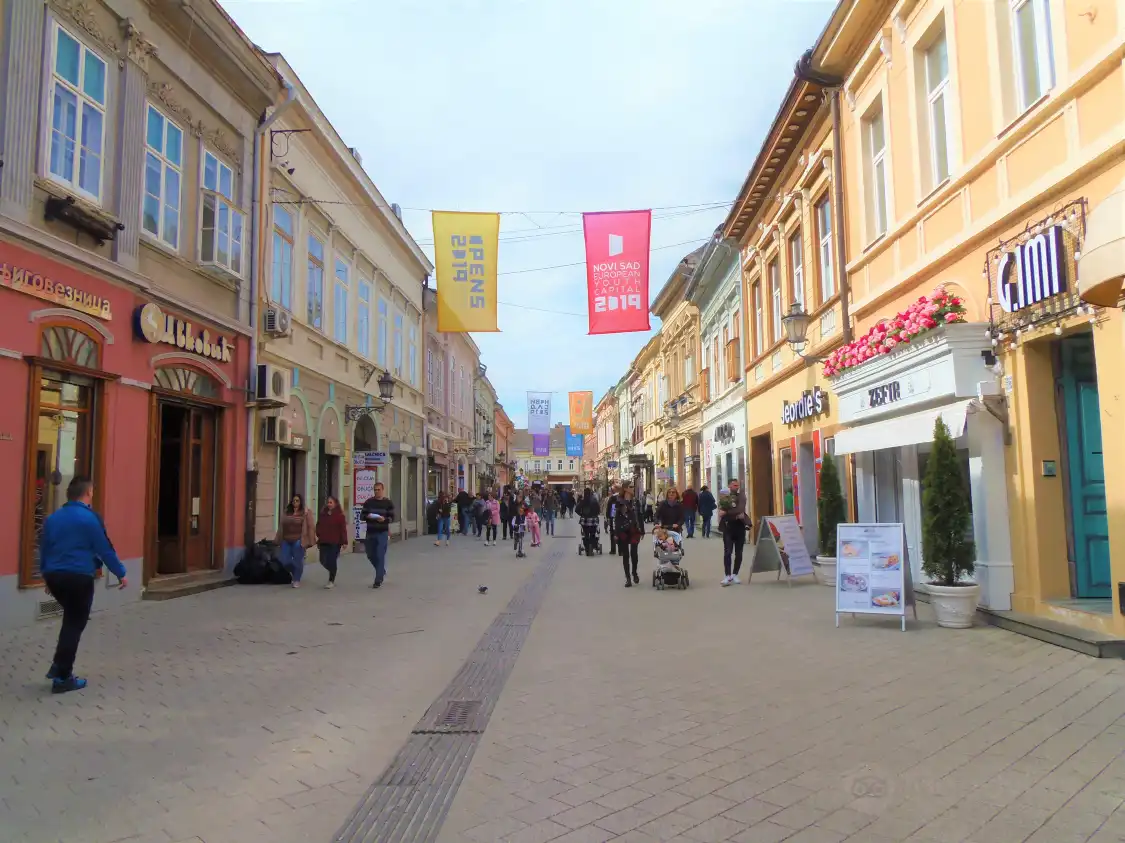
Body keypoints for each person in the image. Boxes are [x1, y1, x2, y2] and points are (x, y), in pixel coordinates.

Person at [39, 476, 127, 694]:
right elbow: (104, 548)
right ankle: (62, 677)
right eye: (92, 493)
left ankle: (59, 667)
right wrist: (121, 573)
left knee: (71, 620)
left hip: (55, 575)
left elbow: (44, 549)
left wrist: (46, 577)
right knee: (74, 624)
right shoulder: (90, 519)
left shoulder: (53, 518)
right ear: (87, 493)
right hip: (79, 576)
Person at [276, 494, 315, 589]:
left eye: (297, 500)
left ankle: (297, 579)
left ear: (300, 502)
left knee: (298, 560)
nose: (295, 502)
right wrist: (278, 538)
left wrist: (309, 540)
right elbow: (281, 526)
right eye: (293, 501)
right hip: (286, 539)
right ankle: (296, 570)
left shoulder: (305, 512)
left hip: (298, 540)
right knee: (284, 560)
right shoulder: (287, 511)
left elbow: (310, 526)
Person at [360, 482, 394, 588]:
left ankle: (378, 579)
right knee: (370, 554)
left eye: (378, 490)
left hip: (382, 532)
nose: (377, 491)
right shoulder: (369, 502)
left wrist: (384, 519)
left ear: (383, 490)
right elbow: (362, 516)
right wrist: (370, 517)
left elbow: (392, 517)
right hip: (370, 532)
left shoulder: (388, 503)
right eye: (375, 490)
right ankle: (381, 570)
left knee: (380, 554)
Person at [719, 479, 749, 586]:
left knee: (739, 552)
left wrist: (726, 512)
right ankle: (727, 575)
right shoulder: (724, 495)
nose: (736, 487)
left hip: (740, 527)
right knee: (727, 552)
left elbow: (740, 509)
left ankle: (735, 574)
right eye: (734, 485)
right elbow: (720, 509)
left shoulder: (741, 496)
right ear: (729, 486)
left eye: (737, 485)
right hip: (728, 527)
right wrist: (733, 513)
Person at [614, 484, 644, 587]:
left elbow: (640, 515)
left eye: (632, 487)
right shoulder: (618, 501)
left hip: (634, 531)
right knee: (625, 555)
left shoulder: (636, 502)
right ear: (625, 489)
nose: (632, 489)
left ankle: (634, 572)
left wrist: (642, 530)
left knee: (634, 554)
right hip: (623, 531)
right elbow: (616, 519)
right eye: (630, 487)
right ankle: (628, 578)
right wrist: (616, 533)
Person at [315, 495, 348, 589]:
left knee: (332, 560)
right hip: (324, 541)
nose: (329, 504)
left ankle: (331, 580)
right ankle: (333, 571)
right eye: (328, 502)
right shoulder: (323, 514)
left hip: (335, 542)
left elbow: (343, 529)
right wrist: (319, 534)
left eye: (331, 502)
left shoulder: (340, 516)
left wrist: (344, 541)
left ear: (335, 504)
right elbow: (318, 525)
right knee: (322, 560)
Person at [576, 488, 600, 556]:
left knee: (586, 534)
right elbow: (598, 510)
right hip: (593, 520)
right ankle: (592, 548)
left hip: (585, 521)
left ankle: (587, 549)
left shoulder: (582, 501)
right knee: (592, 534)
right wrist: (595, 515)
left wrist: (582, 515)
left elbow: (576, 509)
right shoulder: (594, 501)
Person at [603, 484, 621, 556]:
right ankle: (621, 550)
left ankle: (613, 549)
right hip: (621, 519)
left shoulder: (612, 498)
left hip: (613, 518)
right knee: (621, 533)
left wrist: (608, 517)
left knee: (613, 533)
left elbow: (609, 509)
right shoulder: (622, 497)